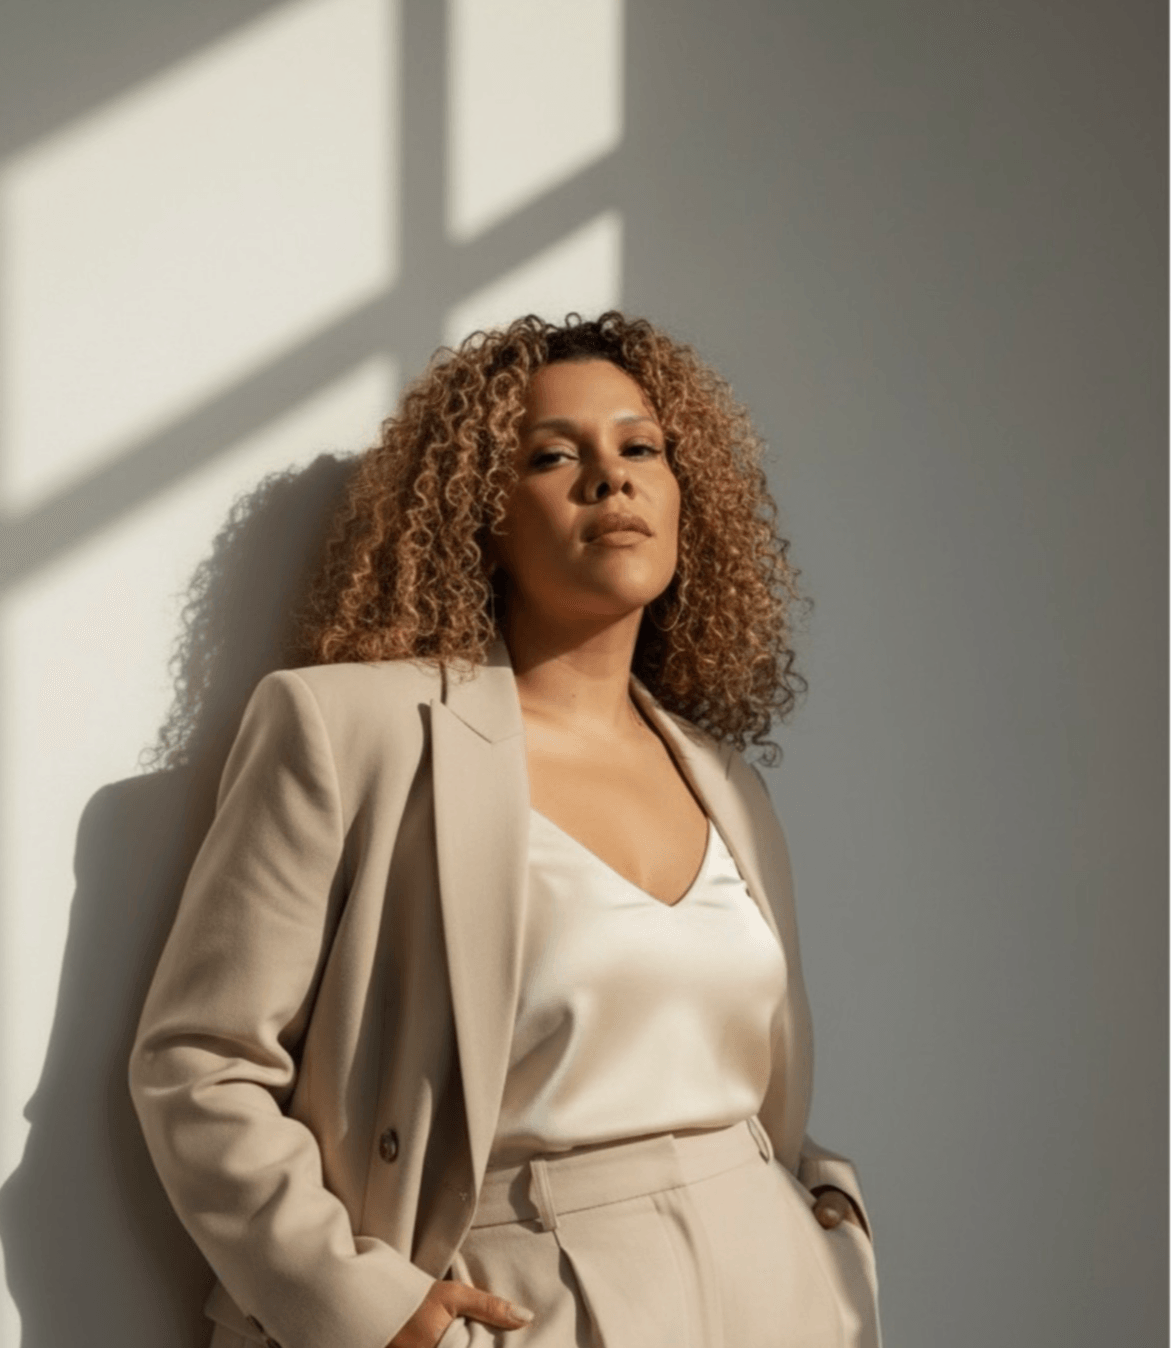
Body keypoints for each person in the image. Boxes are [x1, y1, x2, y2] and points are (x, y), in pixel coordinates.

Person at [128, 311, 883, 1348]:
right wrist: (361, 1306)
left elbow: (763, 1097)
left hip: (780, 1292)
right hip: (527, 1300)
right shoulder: (352, 731)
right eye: (552, 455)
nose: (608, 479)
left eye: (640, 448)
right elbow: (198, 1060)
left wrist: (833, 1232)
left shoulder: (725, 781)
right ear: (482, 512)